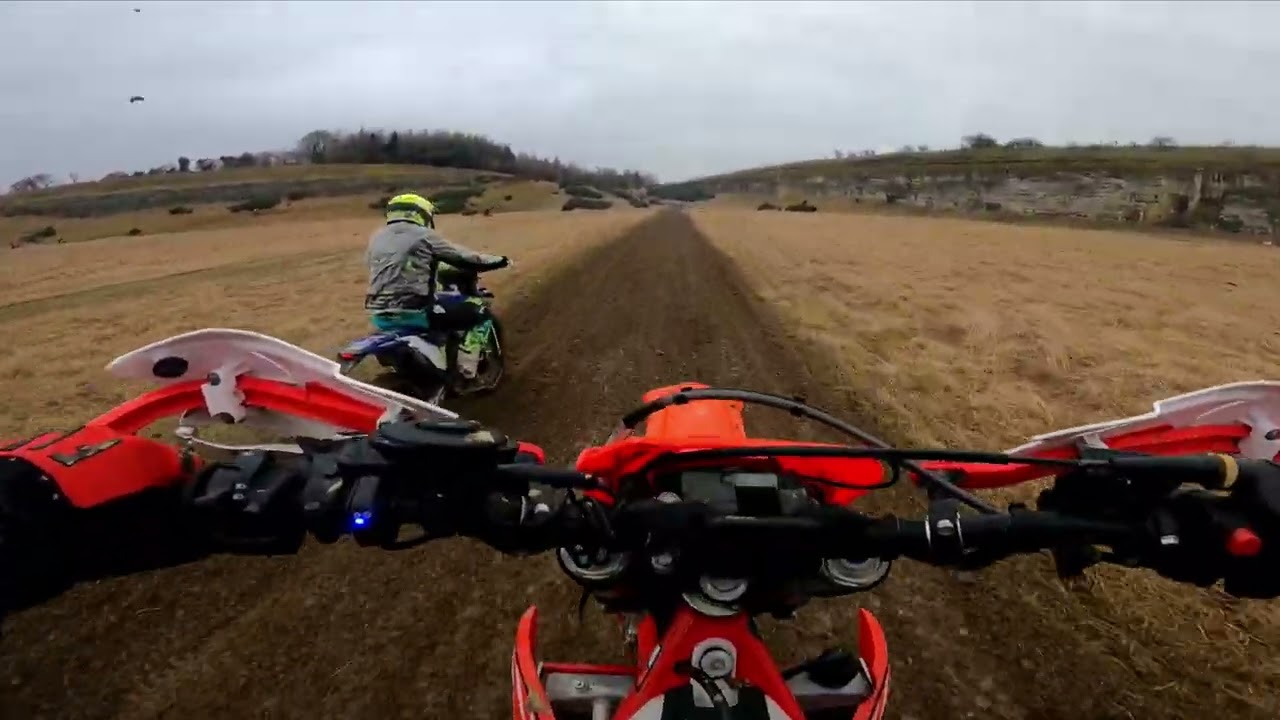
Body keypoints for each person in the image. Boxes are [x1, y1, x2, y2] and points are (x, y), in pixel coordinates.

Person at [365, 193, 510, 374]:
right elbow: (463, 258)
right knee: (479, 308)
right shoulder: (423, 235)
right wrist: (500, 260)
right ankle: (468, 367)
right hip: (415, 311)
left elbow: (397, 264)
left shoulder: (377, 237)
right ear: (421, 214)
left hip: (379, 314)